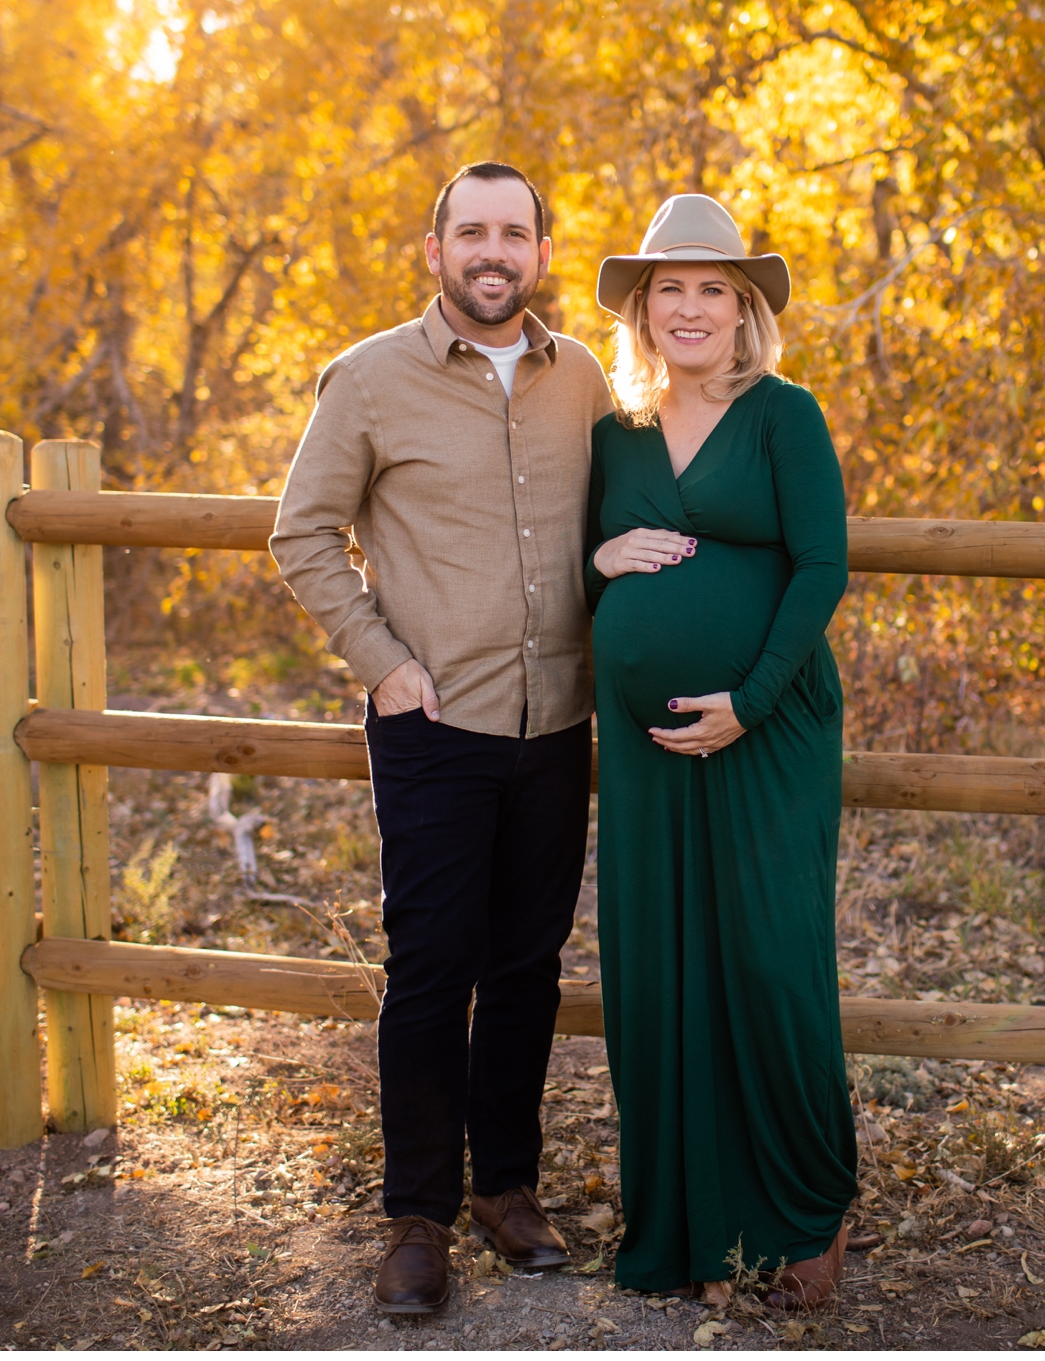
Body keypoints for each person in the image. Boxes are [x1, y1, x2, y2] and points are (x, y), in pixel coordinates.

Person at [270, 162, 614, 1316]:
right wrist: (385, 664)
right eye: (472, 231)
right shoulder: (368, 380)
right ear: (437, 249)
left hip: (557, 722)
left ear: (543, 255)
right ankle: (416, 1213)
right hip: (434, 723)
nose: (493, 252)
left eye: (514, 233)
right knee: (430, 972)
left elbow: (611, 524)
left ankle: (505, 1187)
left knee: (525, 968)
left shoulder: (584, 382)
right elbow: (302, 532)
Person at [584, 193, 858, 1309]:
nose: (690, 308)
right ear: (643, 314)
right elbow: (568, 567)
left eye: (713, 290)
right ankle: (694, 1232)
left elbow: (822, 566)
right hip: (646, 749)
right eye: (670, 291)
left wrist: (747, 698)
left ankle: (805, 1221)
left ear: (745, 314)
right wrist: (602, 557)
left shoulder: (785, 415)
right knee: (658, 966)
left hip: (766, 730)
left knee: (768, 960)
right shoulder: (614, 435)